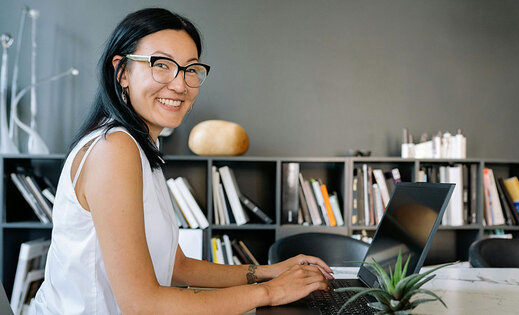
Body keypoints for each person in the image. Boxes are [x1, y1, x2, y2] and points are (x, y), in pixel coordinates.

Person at [30, 8, 332, 315]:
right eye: (161, 65)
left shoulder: (142, 145)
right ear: (122, 72)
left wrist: (268, 272)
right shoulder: (114, 149)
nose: (180, 84)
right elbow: (142, 304)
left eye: (191, 69)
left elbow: (177, 265)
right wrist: (269, 292)